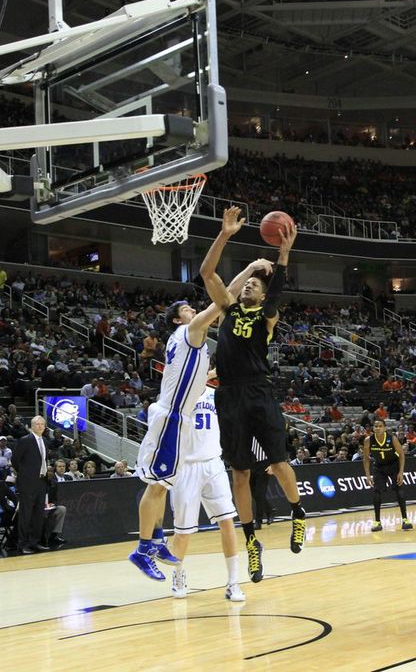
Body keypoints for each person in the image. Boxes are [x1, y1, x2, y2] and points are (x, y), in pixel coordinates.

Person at [198, 206, 308, 583]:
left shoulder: (267, 316)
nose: (248, 286)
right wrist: (225, 234)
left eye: (254, 285)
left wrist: (284, 254)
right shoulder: (227, 312)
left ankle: (297, 513)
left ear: (262, 297)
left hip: (258, 391)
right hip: (228, 396)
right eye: (247, 283)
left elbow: (278, 288)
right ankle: (251, 542)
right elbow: (207, 274)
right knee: (240, 474)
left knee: (278, 463)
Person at [129, 298, 219, 581]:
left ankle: (155, 540)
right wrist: (247, 274)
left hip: (178, 418)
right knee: (156, 485)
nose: (193, 310)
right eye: (186, 310)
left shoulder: (191, 343)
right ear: (179, 320)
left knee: (163, 484)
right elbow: (219, 303)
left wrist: (220, 372)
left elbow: (197, 379)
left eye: (193, 308)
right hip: (170, 416)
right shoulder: (188, 332)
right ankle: (143, 551)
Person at [169, 382, 244, 602]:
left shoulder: (216, 395)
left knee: (228, 522)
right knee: (182, 531)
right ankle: (178, 573)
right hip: (186, 468)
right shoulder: (178, 393)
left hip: (213, 463)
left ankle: (233, 583)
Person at [362, 419, 412, 532]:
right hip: (379, 466)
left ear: (385, 428)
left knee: (399, 489)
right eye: (376, 426)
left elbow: (401, 455)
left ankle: (405, 519)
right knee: (376, 491)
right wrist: (367, 475)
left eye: (380, 426)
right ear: (373, 428)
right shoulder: (368, 440)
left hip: (393, 465)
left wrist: (401, 472)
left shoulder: (392, 438)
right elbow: (365, 458)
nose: (378, 428)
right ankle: (377, 521)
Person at [11, 415, 52, 555]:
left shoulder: (45, 441)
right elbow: (15, 460)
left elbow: (44, 460)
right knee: (26, 515)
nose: (40, 426)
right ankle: (22, 544)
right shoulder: (25, 440)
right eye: (37, 424)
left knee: (38, 515)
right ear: (32, 426)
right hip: (28, 483)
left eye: (42, 424)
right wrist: (25, 475)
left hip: (41, 481)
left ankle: (34, 542)